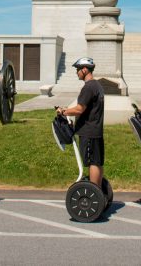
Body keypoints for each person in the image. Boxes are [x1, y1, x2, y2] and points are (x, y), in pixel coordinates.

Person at [56, 57, 104, 187]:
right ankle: (98, 191)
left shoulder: (88, 87)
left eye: (78, 69)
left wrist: (63, 112)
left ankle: (94, 192)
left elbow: (79, 109)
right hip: (96, 130)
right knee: (97, 162)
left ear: (85, 70)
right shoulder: (97, 85)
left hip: (88, 131)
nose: (76, 72)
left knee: (92, 162)